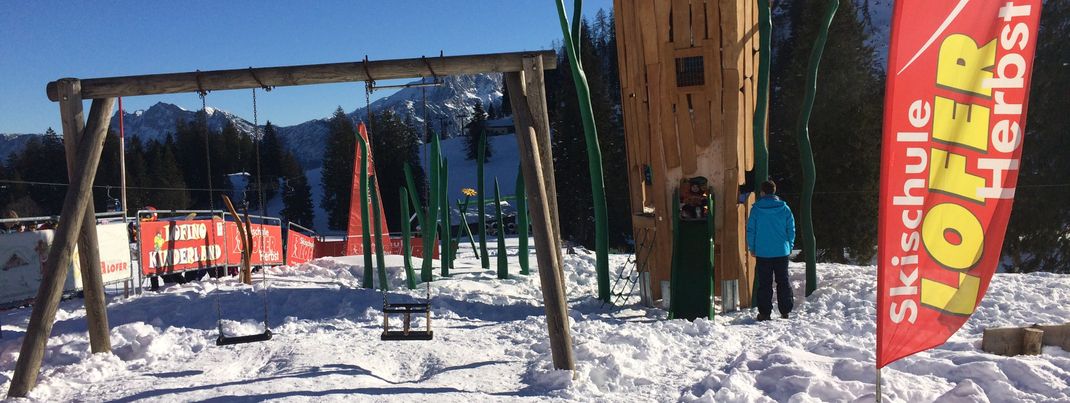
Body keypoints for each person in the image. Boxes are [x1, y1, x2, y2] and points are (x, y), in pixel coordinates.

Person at [746, 180, 796, 321]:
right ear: (774, 191)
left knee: (764, 283)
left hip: (763, 252)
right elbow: (791, 229)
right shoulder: (784, 208)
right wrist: (790, 245)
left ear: (762, 192)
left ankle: (765, 313)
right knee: (783, 281)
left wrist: (752, 247)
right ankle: (785, 310)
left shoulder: (756, 209)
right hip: (781, 250)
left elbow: (751, 230)